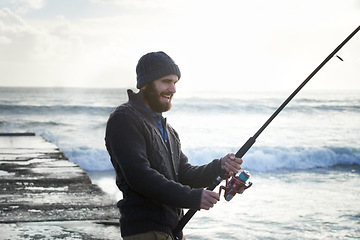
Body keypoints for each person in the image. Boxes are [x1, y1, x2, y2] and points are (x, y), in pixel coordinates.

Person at [105, 51, 243, 240]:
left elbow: (184, 174)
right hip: (146, 231)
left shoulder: (168, 129)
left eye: (175, 83)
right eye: (166, 81)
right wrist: (192, 197)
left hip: (173, 231)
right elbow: (139, 175)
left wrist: (219, 166)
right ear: (146, 84)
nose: (173, 89)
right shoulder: (125, 118)